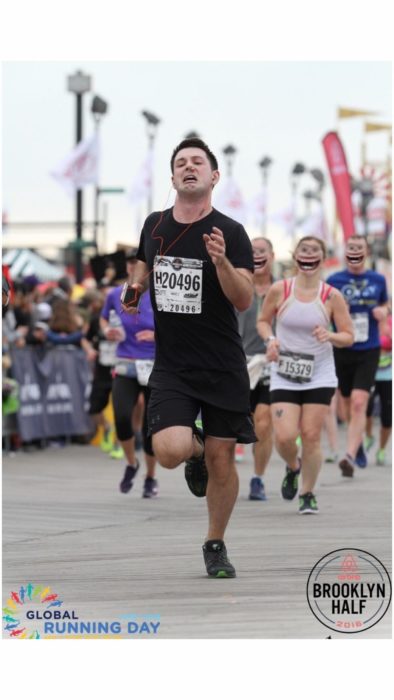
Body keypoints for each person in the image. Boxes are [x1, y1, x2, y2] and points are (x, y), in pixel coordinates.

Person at [121, 137, 255, 578]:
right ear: (173, 177)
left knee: (223, 459)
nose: (189, 167)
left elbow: (243, 299)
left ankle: (215, 542)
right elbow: (143, 260)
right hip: (174, 364)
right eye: (181, 163)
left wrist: (221, 264)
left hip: (222, 364)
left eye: (198, 162)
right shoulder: (155, 223)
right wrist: (137, 285)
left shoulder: (230, 232)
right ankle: (193, 449)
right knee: (171, 449)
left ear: (214, 176)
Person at [257, 236, 354, 514]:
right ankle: (293, 466)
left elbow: (349, 336)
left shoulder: (331, 296)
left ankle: (308, 493)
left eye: (315, 252)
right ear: (296, 256)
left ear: (322, 259)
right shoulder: (280, 289)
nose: (309, 255)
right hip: (285, 371)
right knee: (285, 437)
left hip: (319, 373)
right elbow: (263, 321)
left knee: (311, 435)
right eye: (304, 250)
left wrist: (330, 334)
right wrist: (271, 341)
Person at [326, 235, 389, 476]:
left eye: (359, 248)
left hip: (368, 348)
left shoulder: (377, 279)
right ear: (345, 252)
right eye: (351, 247)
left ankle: (349, 456)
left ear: (366, 252)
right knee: (345, 403)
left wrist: (383, 311)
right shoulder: (334, 280)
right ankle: (358, 442)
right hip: (342, 348)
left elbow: (386, 304)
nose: (354, 251)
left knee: (360, 402)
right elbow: (324, 310)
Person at [101, 263, 158, 498]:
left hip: (154, 363)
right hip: (125, 362)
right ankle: (131, 463)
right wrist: (107, 332)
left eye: (143, 265)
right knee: (122, 416)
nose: (138, 269)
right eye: (134, 264)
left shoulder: (160, 293)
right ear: (128, 267)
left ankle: (151, 477)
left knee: (150, 425)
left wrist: (157, 334)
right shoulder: (116, 294)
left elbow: (178, 327)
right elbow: (104, 319)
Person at [237, 237, 275, 501]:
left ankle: (258, 478)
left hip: (272, 364)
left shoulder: (283, 289)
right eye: (252, 252)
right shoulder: (237, 287)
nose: (257, 255)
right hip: (238, 364)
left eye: (262, 251)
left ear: (272, 255)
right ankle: (222, 478)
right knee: (231, 429)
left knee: (263, 422)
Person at [365, 313, 392, 466]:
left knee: (387, 418)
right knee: (366, 409)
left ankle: (381, 449)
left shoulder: (391, 323)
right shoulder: (369, 321)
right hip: (370, 374)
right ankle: (368, 435)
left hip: (389, 376)